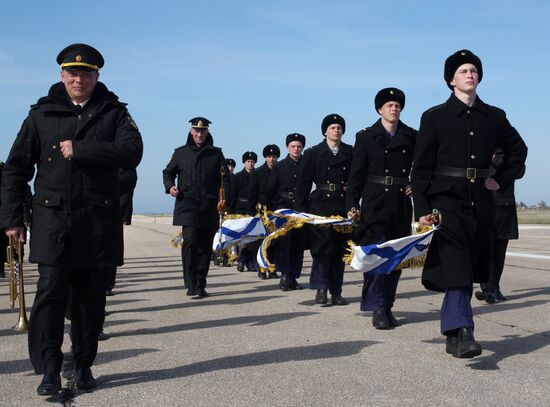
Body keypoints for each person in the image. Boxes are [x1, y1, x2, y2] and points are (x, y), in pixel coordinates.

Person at [0, 43, 143, 395]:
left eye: (87, 73)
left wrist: (82, 149)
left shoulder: (115, 113)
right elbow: (16, 169)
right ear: (62, 75)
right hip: (51, 220)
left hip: (96, 223)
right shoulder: (42, 114)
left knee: (90, 300)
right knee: (49, 295)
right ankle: (49, 367)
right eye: (73, 73)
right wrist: (12, 218)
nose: (79, 79)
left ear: (97, 76)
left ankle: (82, 365)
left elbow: (132, 152)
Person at [411, 49, 527, 358]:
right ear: (451, 80)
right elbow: (420, 167)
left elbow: (518, 150)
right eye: (463, 70)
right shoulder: (434, 116)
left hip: (480, 201)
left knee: (466, 265)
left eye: (474, 70)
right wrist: (421, 209)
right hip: (446, 201)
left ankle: (452, 333)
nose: (470, 74)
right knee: (457, 260)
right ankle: (464, 331)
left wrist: (500, 179)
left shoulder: (494, 116)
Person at [346, 88, 417, 329]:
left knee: (396, 257)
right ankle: (377, 308)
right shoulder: (365, 136)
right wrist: (352, 205)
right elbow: (356, 174)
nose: (394, 108)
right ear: (379, 109)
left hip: (400, 202)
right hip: (374, 203)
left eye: (397, 105)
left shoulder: (412, 135)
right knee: (376, 256)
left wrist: (415, 184)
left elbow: (425, 164)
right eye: (389, 105)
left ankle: (388, 305)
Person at [163, 117, 230, 297]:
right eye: (196, 130)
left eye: (203, 131)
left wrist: (224, 201)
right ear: (191, 132)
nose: (199, 134)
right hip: (187, 204)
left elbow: (225, 180)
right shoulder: (180, 153)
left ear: (207, 132)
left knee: (205, 246)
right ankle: (190, 282)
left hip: (208, 206)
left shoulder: (216, 154)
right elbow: (168, 173)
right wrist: (171, 187)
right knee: (190, 243)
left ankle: (201, 284)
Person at [294, 114, 353, 306]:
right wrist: (299, 212)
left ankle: (336, 291)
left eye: (339, 127)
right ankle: (321, 288)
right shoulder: (313, 153)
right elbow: (302, 184)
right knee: (321, 249)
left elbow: (356, 178)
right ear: (325, 131)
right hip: (319, 205)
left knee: (339, 249)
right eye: (332, 127)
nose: (336, 130)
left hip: (342, 205)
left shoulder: (350, 152)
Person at [475, 149, 525, 303]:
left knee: (500, 251)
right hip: (483, 206)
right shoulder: (479, 150)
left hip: (504, 206)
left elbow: (520, 172)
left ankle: (494, 287)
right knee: (486, 249)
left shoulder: (508, 153)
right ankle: (487, 289)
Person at [264, 133, 306, 290]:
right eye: (293, 146)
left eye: (299, 146)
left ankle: (294, 276)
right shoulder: (279, 166)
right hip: (283, 209)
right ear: (287, 148)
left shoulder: (307, 165)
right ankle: (284, 276)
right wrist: (268, 212)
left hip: (301, 209)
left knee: (298, 244)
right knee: (284, 243)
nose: (296, 149)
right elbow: (270, 189)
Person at [248, 144, 280, 279]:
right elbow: (252, 193)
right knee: (262, 241)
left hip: (277, 212)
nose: (271, 159)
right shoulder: (258, 172)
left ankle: (272, 268)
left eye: (274, 157)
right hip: (261, 212)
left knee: (274, 241)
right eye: (269, 157)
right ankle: (261, 268)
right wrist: (251, 213)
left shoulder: (281, 170)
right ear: (265, 158)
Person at [230, 151, 258, 272]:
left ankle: (250, 262)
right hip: (240, 209)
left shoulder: (259, 175)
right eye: (248, 161)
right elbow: (232, 195)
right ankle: (241, 260)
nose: (250, 164)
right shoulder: (237, 177)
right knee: (241, 238)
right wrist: (231, 211)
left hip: (254, 209)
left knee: (252, 238)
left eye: (252, 162)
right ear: (244, 162)